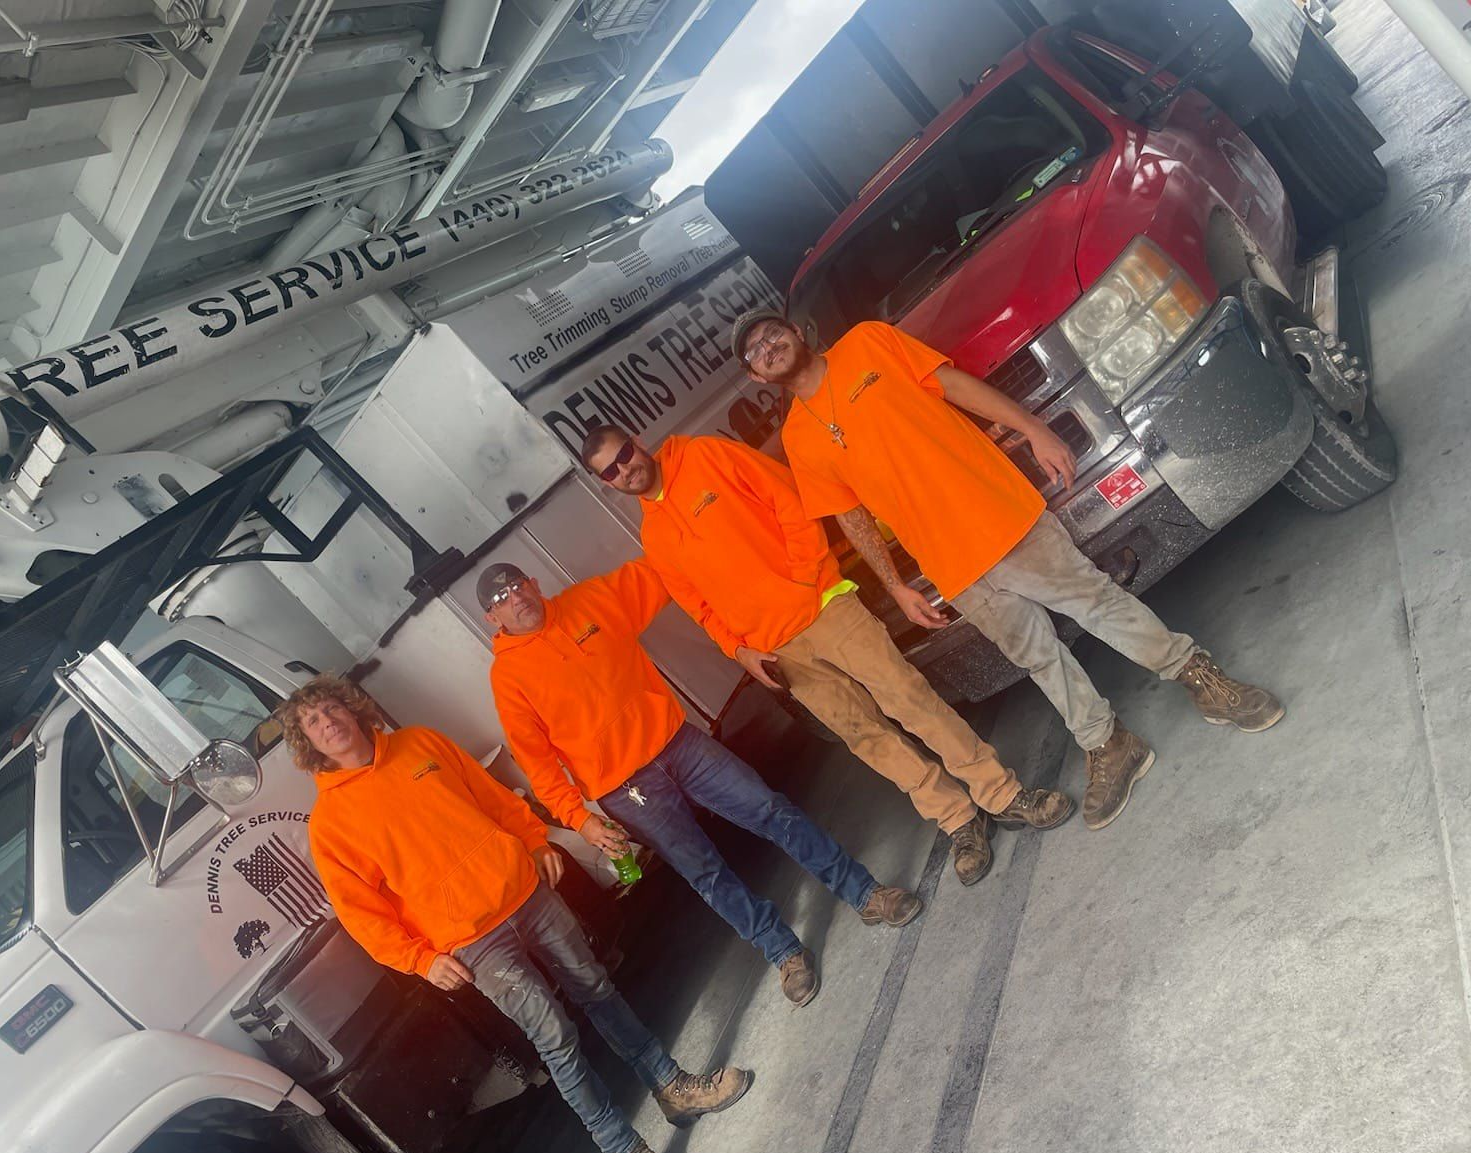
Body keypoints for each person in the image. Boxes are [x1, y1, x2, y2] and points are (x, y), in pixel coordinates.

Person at [733, 309, 1284, 829]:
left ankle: (1199, 676)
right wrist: (897, 586)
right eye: (756, 351)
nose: (768, 347)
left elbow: (955, 386)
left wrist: (1033, 429)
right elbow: (850, 517)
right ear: (757, 375)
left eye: (771, 333)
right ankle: (1107, 743)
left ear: (796, 332)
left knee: (1095, 602)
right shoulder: (798, 439)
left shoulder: (868, 341)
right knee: (1035, 656)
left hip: (998, 514)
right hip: (952, 565)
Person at [280, 675, 748, 1153]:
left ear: (350, 708)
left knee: (598, 990)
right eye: (313, 724)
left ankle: (674, 1086)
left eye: (330, 709)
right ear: (310, 746)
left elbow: (489, 796)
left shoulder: (420, 743)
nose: (328, 723)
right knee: (558, 1041)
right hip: (473, 942)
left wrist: (533, 837)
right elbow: (360, 912)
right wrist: (419, 959)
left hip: (526, 894)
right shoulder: (330, 824)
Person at [579, 423, 1071, 885]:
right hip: (780, 652)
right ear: (607, 483)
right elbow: (699, 606)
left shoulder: (707, 454)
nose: (625, 470)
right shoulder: (654, 535)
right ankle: (956, 818)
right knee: (866, 736)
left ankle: (1002, 793)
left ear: (638, 443)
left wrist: (804, 578)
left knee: (910, 700)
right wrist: (740, 651)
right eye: (611, 471)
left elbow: (790, 500)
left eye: (624, 455)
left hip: (826, 608)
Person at [481, 558, 923, 1008]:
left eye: (517, 585)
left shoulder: (593, 599)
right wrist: (580, 821)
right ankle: (783, 952)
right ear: (492, 618)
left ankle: (864, 891)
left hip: (679, 744)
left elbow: (667, 567)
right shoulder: (508, 679)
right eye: (501, 599)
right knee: (706, 873)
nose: (515, 598)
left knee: (770, 810)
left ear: (534, 584)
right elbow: (538, 764)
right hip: (626, 792)